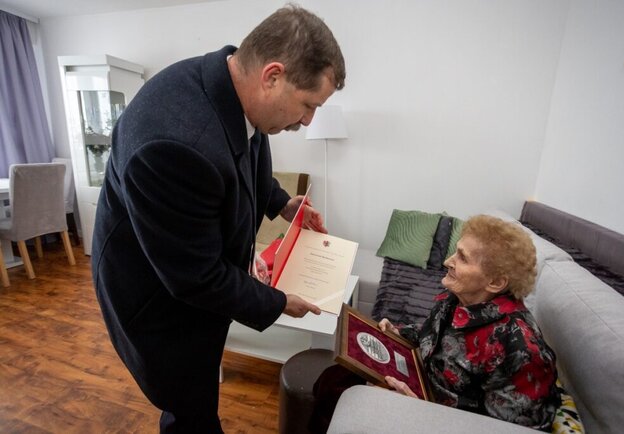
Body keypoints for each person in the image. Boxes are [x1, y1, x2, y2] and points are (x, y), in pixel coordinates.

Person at [91, 5, 345, 433]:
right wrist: (279, 303)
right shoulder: (176, 146)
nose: (307, 121)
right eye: (308, 105)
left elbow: (245, 155)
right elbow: (196, 277)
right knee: (189, 404)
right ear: (273, 76)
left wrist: (281, 203)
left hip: (186, 273)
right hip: (157, 301)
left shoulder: (233, 87)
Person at [310, 215, 560, 432]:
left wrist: (422, 409)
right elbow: (432, 332)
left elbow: (502, 429)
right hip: (419, 384)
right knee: (334, 379)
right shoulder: (459, 298)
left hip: (441, 418)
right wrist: (398, 332)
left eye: (462, 258)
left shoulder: (522, 350)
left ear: (495, 282)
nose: (447, 261)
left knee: (348, 399)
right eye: (456, 251)